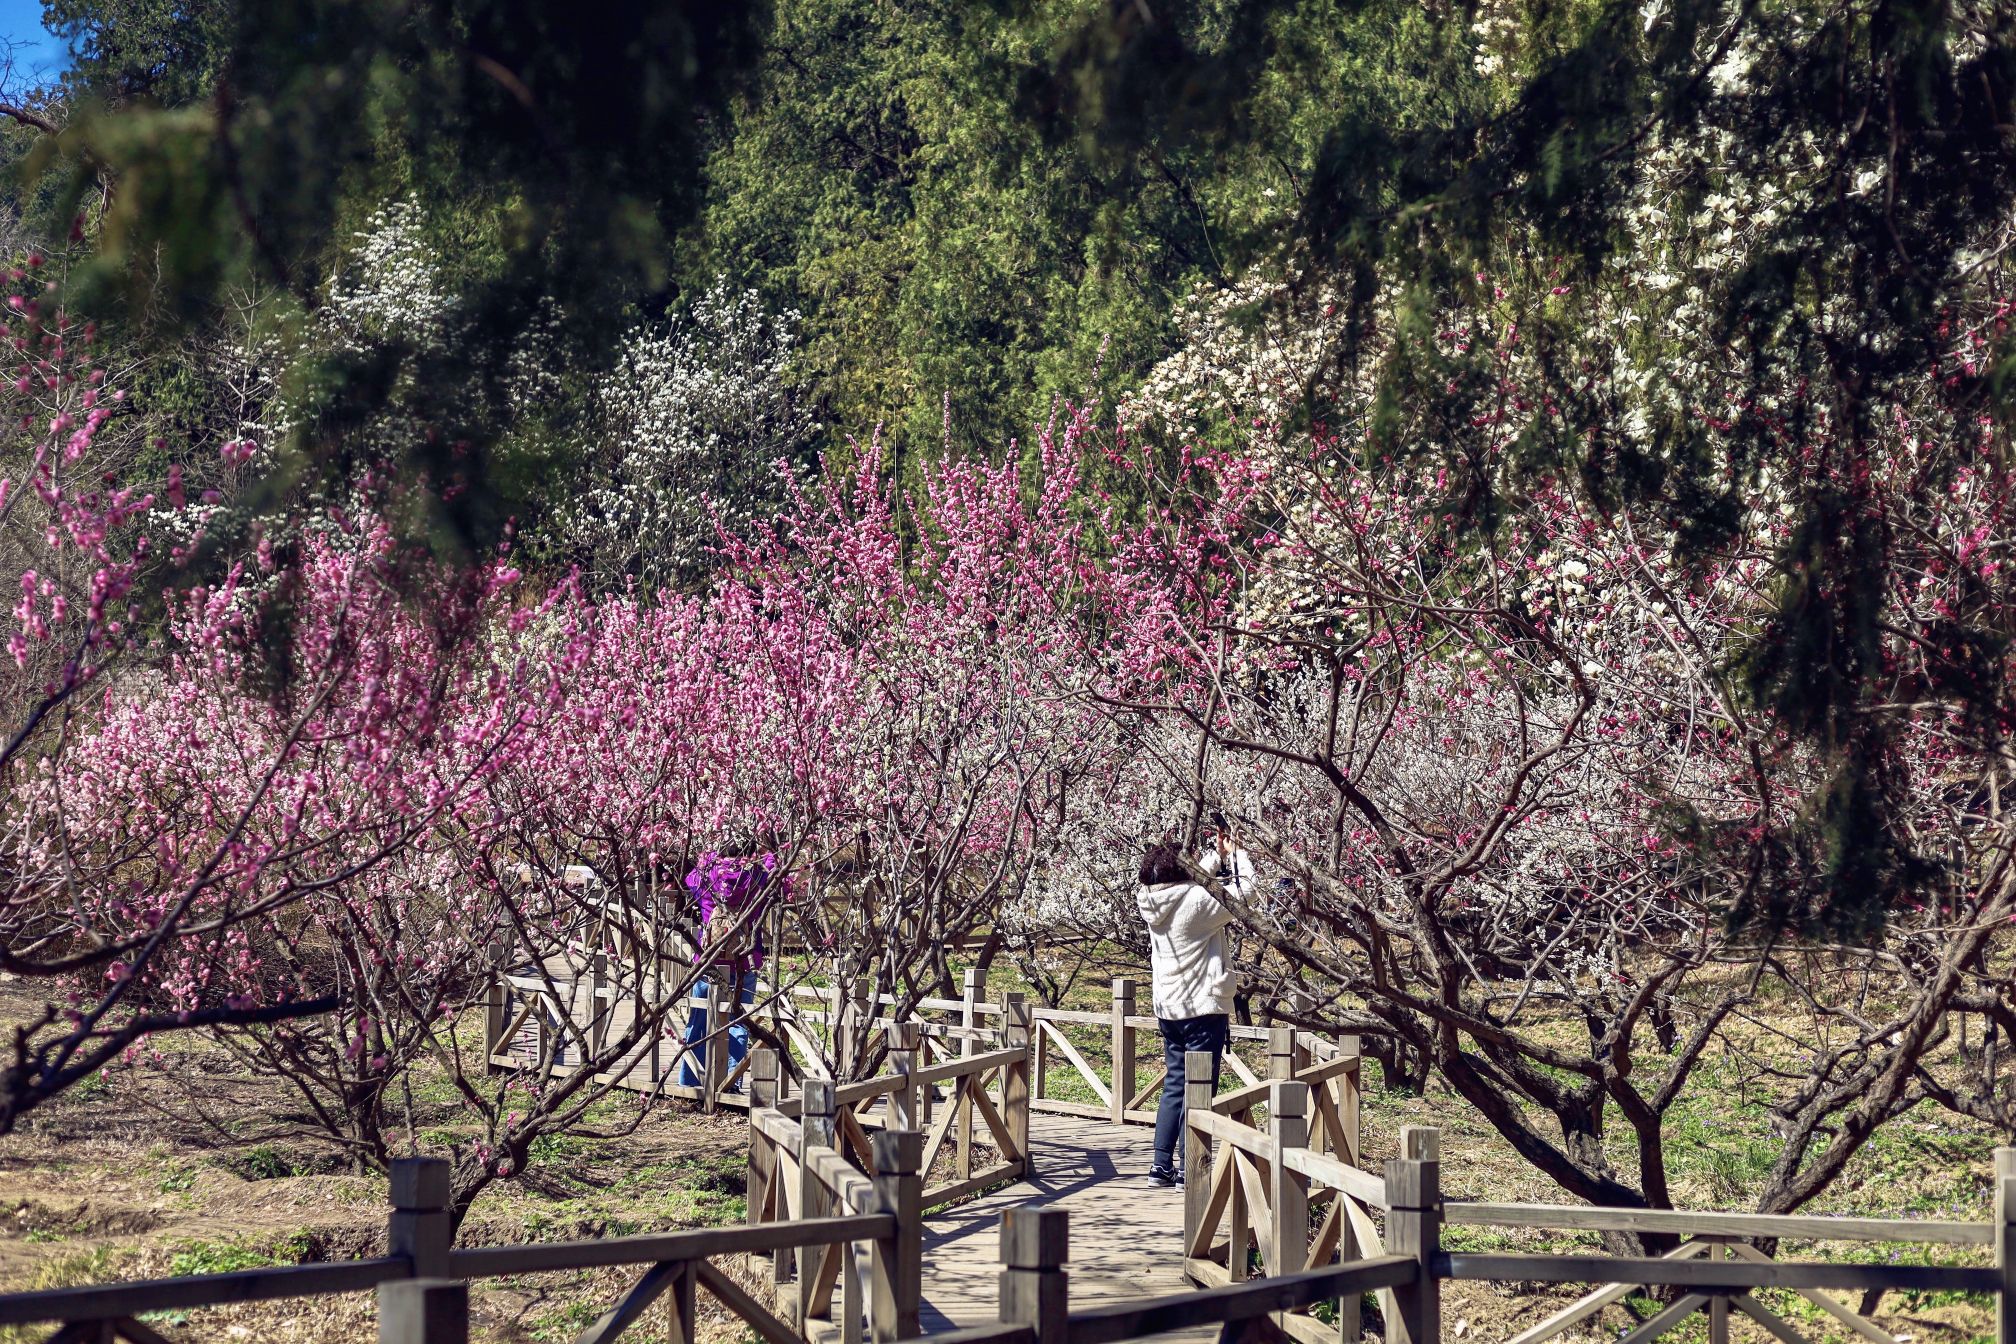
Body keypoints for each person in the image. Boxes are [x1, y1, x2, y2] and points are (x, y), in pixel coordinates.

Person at [1136, 840, 1234, 1188]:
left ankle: (1161, 1167)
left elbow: (1192, 887)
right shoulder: (1196, 902)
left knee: (1175, 1085)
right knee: (1200, 1088)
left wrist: (1217, 856)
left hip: (1170, 1009)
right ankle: (1189, 1168)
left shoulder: (1149, 899)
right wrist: (1241, 857)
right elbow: (1245, 894)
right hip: (1201, 1009)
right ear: (1183, 871)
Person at [678, 847, 780, 1089]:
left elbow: (688, 879)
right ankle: (730, 1083)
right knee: (739, 1022)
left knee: (699, 1020)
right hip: (744, 960)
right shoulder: (757, 874)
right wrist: (766, 854)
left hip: (708, 960)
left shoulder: (705, 874)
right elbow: (779, 872)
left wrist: (709, 855)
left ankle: (690, 1081)